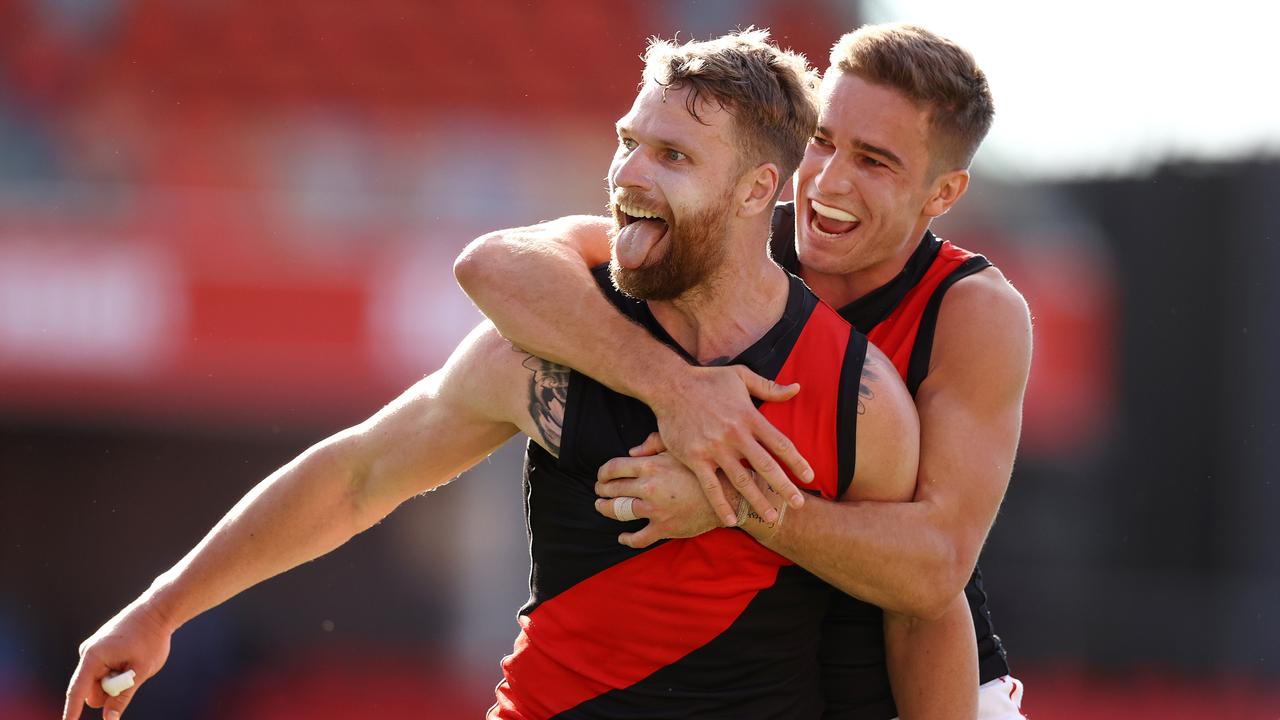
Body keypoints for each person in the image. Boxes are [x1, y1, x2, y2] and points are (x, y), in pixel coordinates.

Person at [63, 30, 971, 720]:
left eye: (673, 158)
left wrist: (743, 497)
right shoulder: (560, 342)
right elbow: (357, 475)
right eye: (629, 142)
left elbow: (916, 611)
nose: (627, 175)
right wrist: (161, 609)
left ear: (753, 191)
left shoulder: (860, 400)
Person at [454, 23, 1033, 720]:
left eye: (875, 162)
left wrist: (731, 501)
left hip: (927, 682)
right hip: (773, 682)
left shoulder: (974, 311)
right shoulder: (734, 236)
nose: (829, 179)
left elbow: (934, 569)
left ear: (943, 193)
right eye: (822, 141)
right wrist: (674, 389)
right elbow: (502, 264)